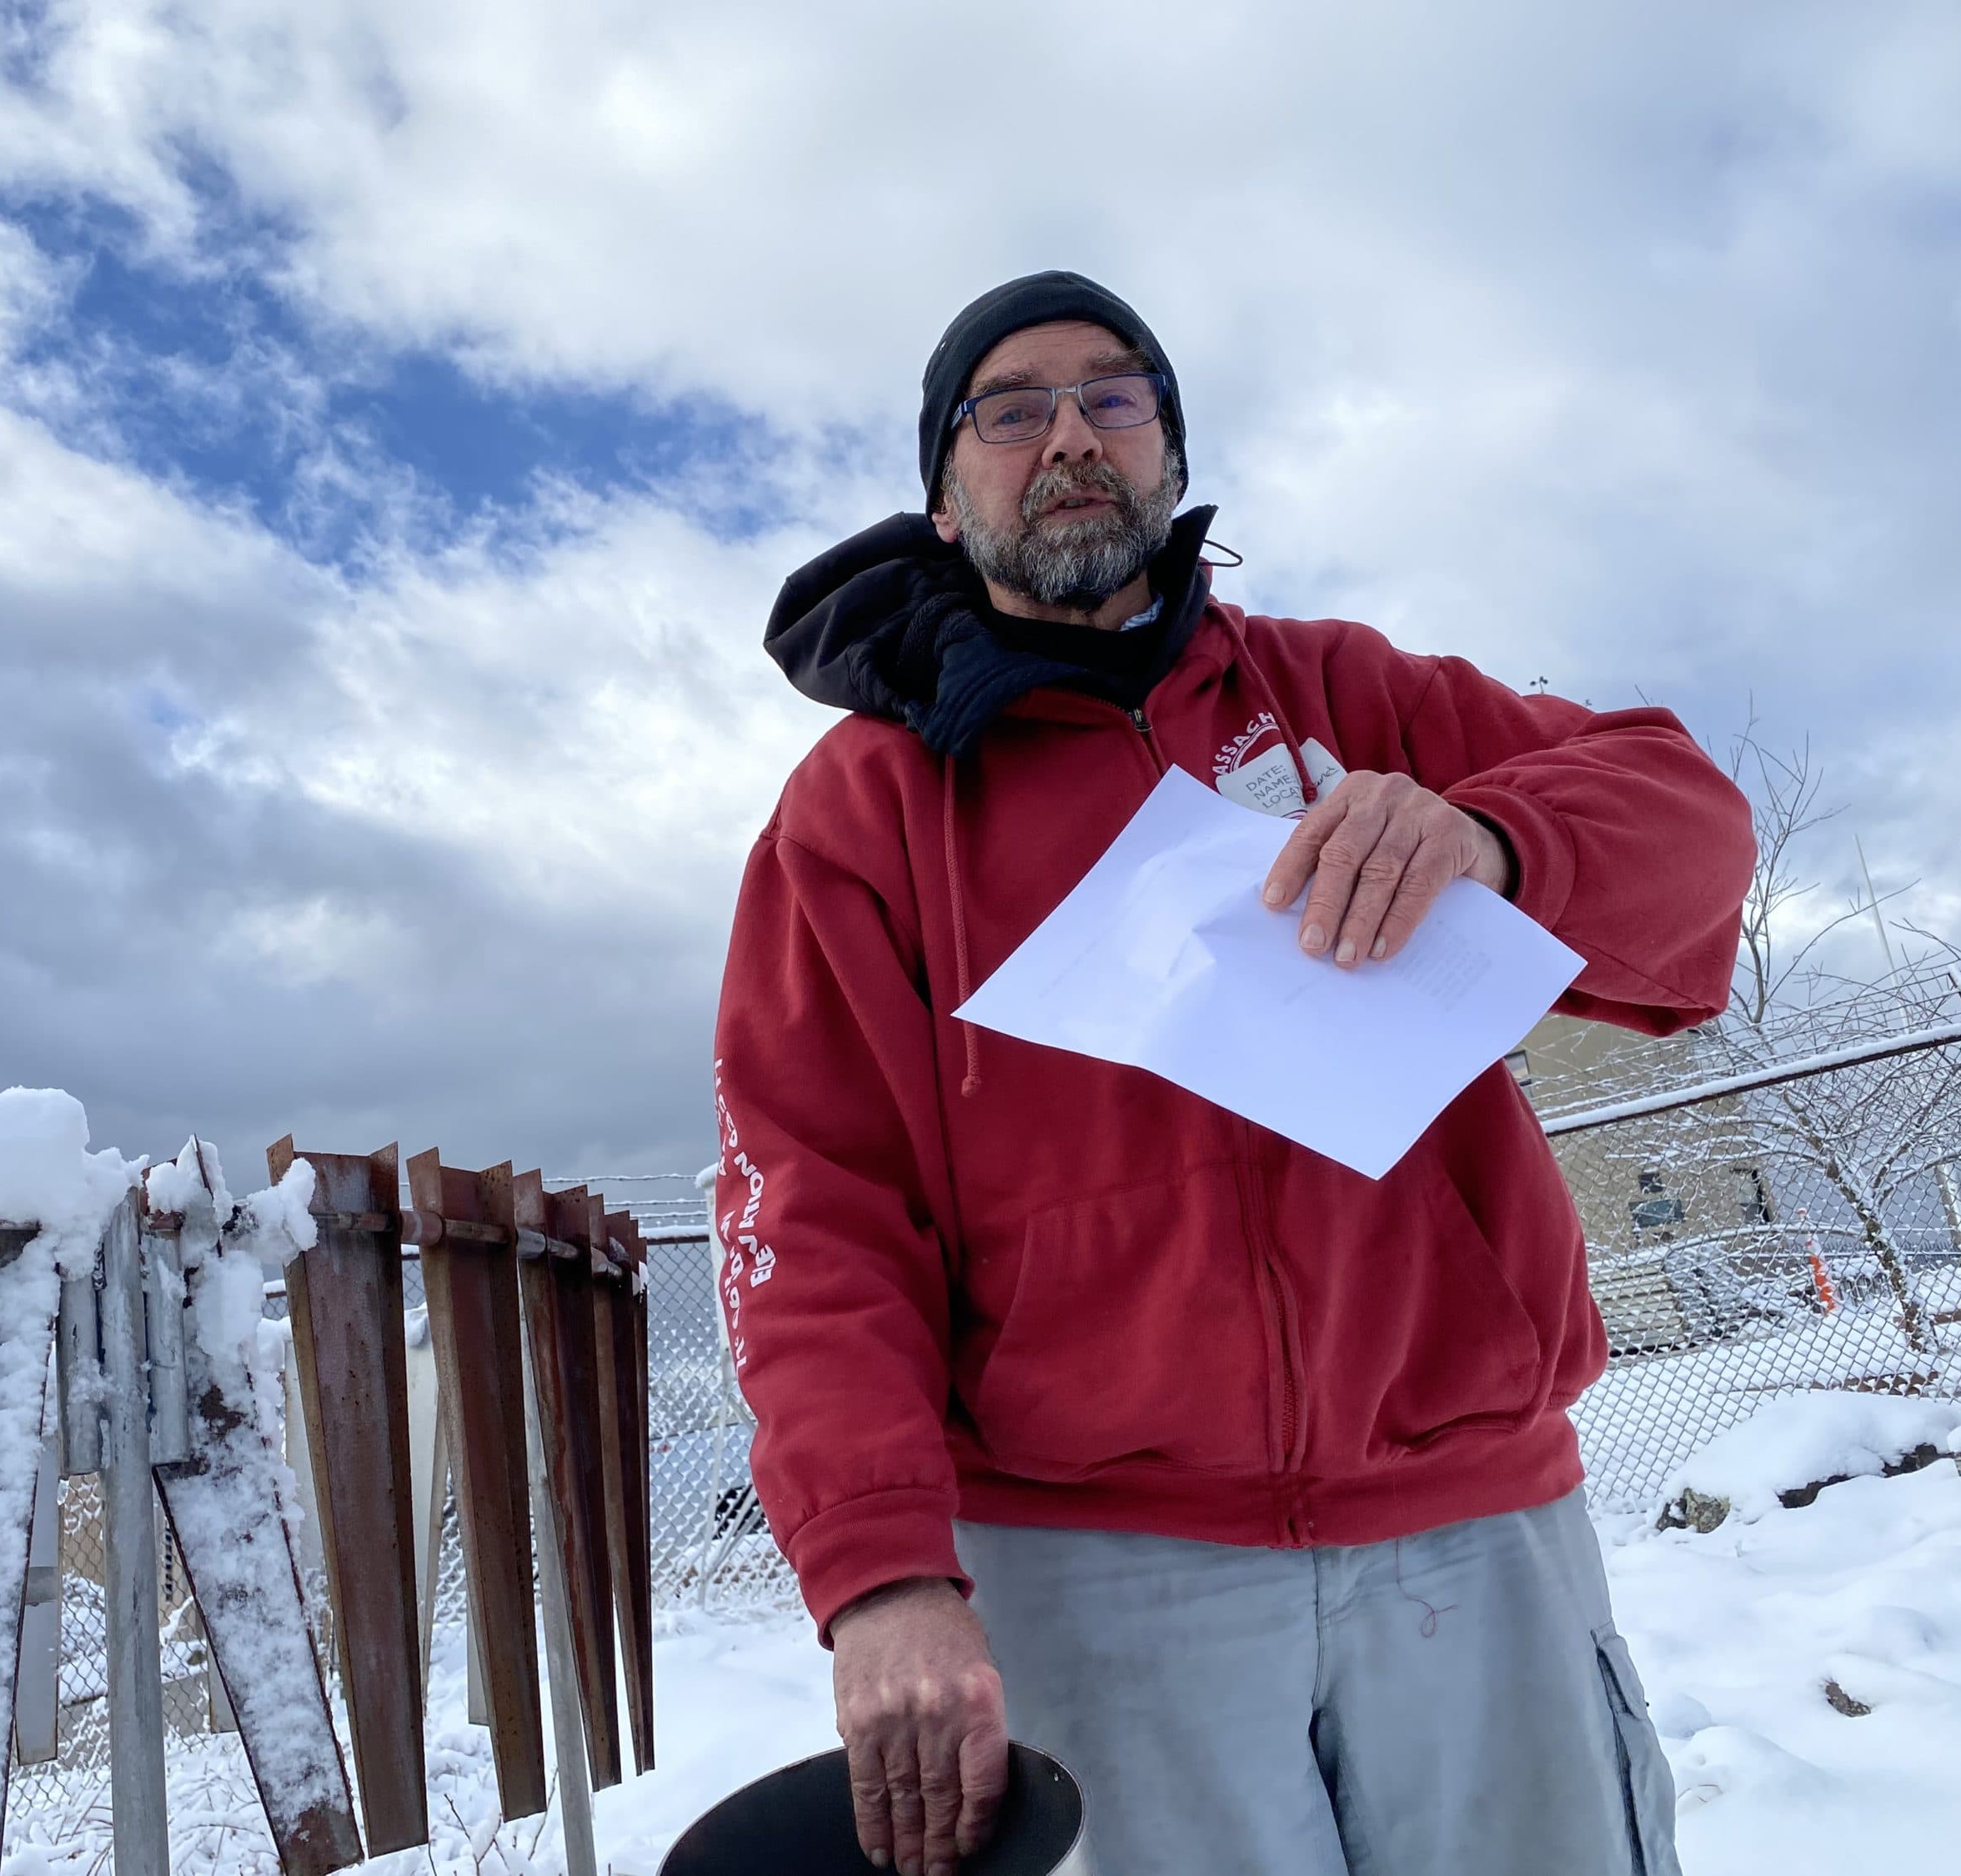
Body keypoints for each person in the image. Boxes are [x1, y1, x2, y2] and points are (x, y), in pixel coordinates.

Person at [710, 270, 1752, 1876]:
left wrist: (1492, 838)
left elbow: (1686, 824)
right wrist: (884, 1575)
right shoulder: (861, 816)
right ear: (941, 490)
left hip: (1470, 1527)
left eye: (1114, 397)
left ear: (1171, 458)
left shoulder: (1348, 698)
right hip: (1098, 1572)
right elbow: (814, 1210)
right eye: (1012, 406)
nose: (1069, 432)